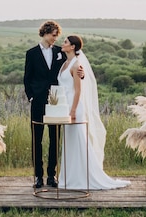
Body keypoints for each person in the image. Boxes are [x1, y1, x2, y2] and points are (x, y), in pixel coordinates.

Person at [57, 35, 130, 190]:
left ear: (73, 47)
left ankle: (84, 178)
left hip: (75, 107)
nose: (62, 44)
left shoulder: (76, 65)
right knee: (69, 143)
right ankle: (69, 178)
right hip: (65, 106)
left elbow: (78, 90)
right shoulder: (65, 63)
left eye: (65, 42)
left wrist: (73, 110)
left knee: (79, 142)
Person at [23, 20, 66, 189]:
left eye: (57, 35)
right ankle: (38, 177)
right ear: (45, 33)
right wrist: (31, 97)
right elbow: (27, 78)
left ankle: (51, 176)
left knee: (55, 138)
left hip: (56, 100)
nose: (56, 38)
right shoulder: (31, 53)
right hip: (38, 100)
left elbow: (69, 69)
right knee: (37, 139)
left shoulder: (60, 52)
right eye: (54, 35)